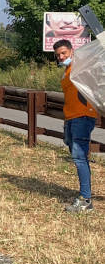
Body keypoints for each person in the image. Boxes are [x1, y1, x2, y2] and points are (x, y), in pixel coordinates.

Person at [54, 39, 97, 213]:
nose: (61, 57)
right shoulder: (67, 70)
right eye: (58, 55)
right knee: (74, 150)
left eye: (64, 53)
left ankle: (86, 200)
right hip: (71, 116)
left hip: (83, 115)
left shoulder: (81, 66)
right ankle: (85, 195)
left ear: (72, 51)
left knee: (79, 157)